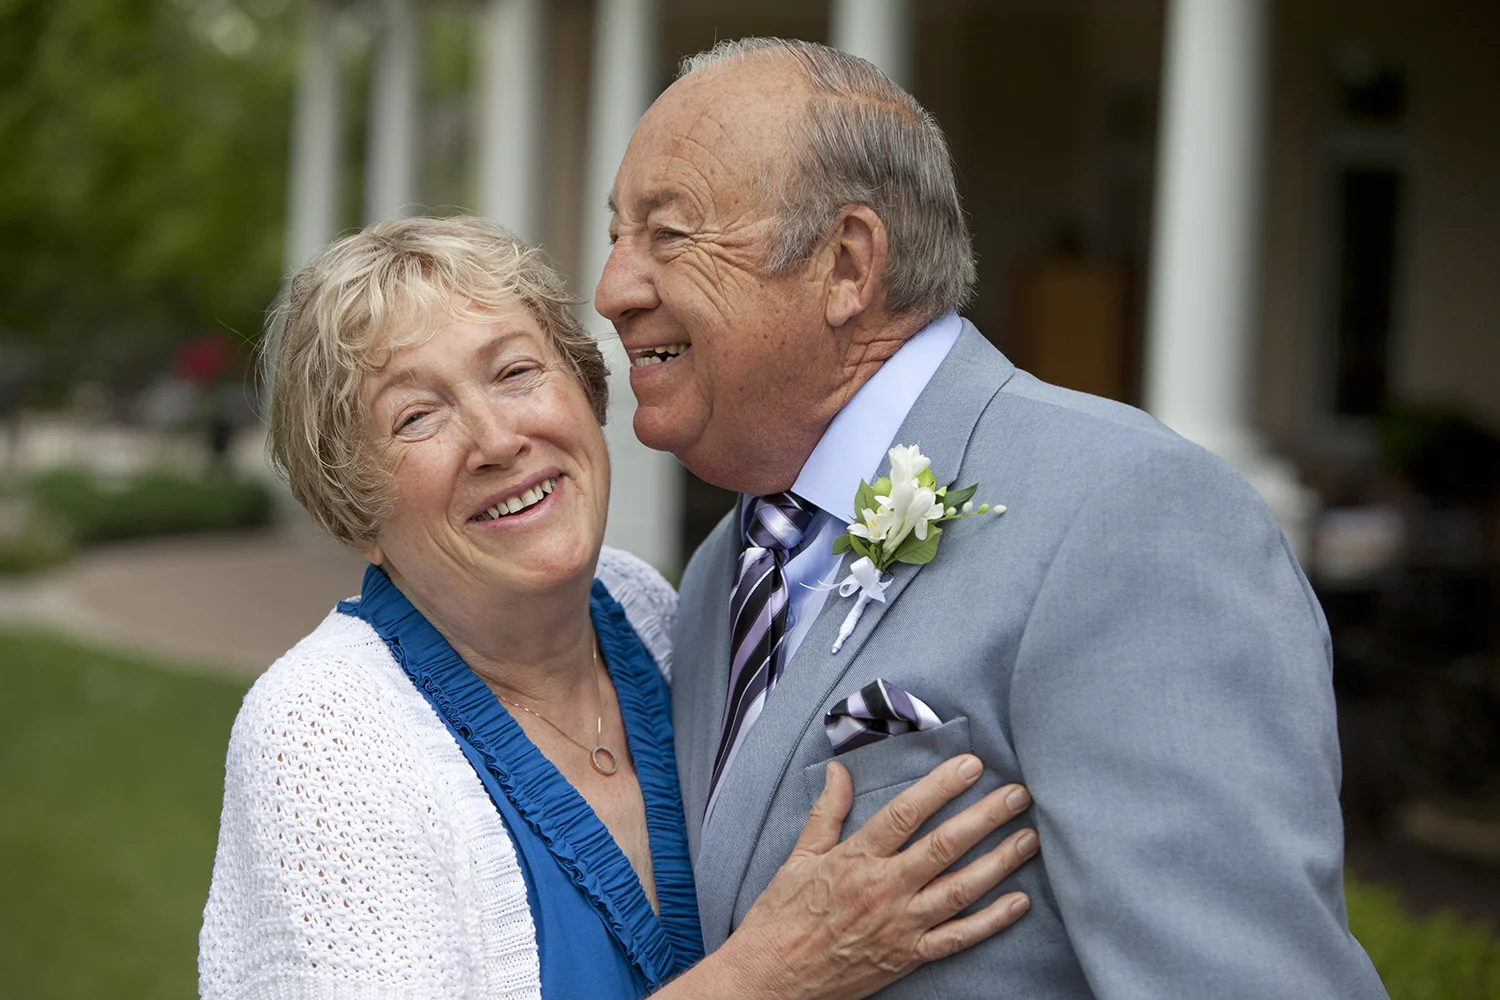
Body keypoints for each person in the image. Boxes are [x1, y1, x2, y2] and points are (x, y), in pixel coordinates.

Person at [596, 37, 1390, 999]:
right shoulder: (733, 557)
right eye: (617, 236)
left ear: (846, 265)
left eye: (668, 236)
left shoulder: (1129, 514)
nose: (614, 291)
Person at [198, 216, 1041, 999]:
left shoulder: (647, 612)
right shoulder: (321, 734)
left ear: (585, 388)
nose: (497, 440)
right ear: (354, 503)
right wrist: (776, 974)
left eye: (517, 372)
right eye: (417, 415)